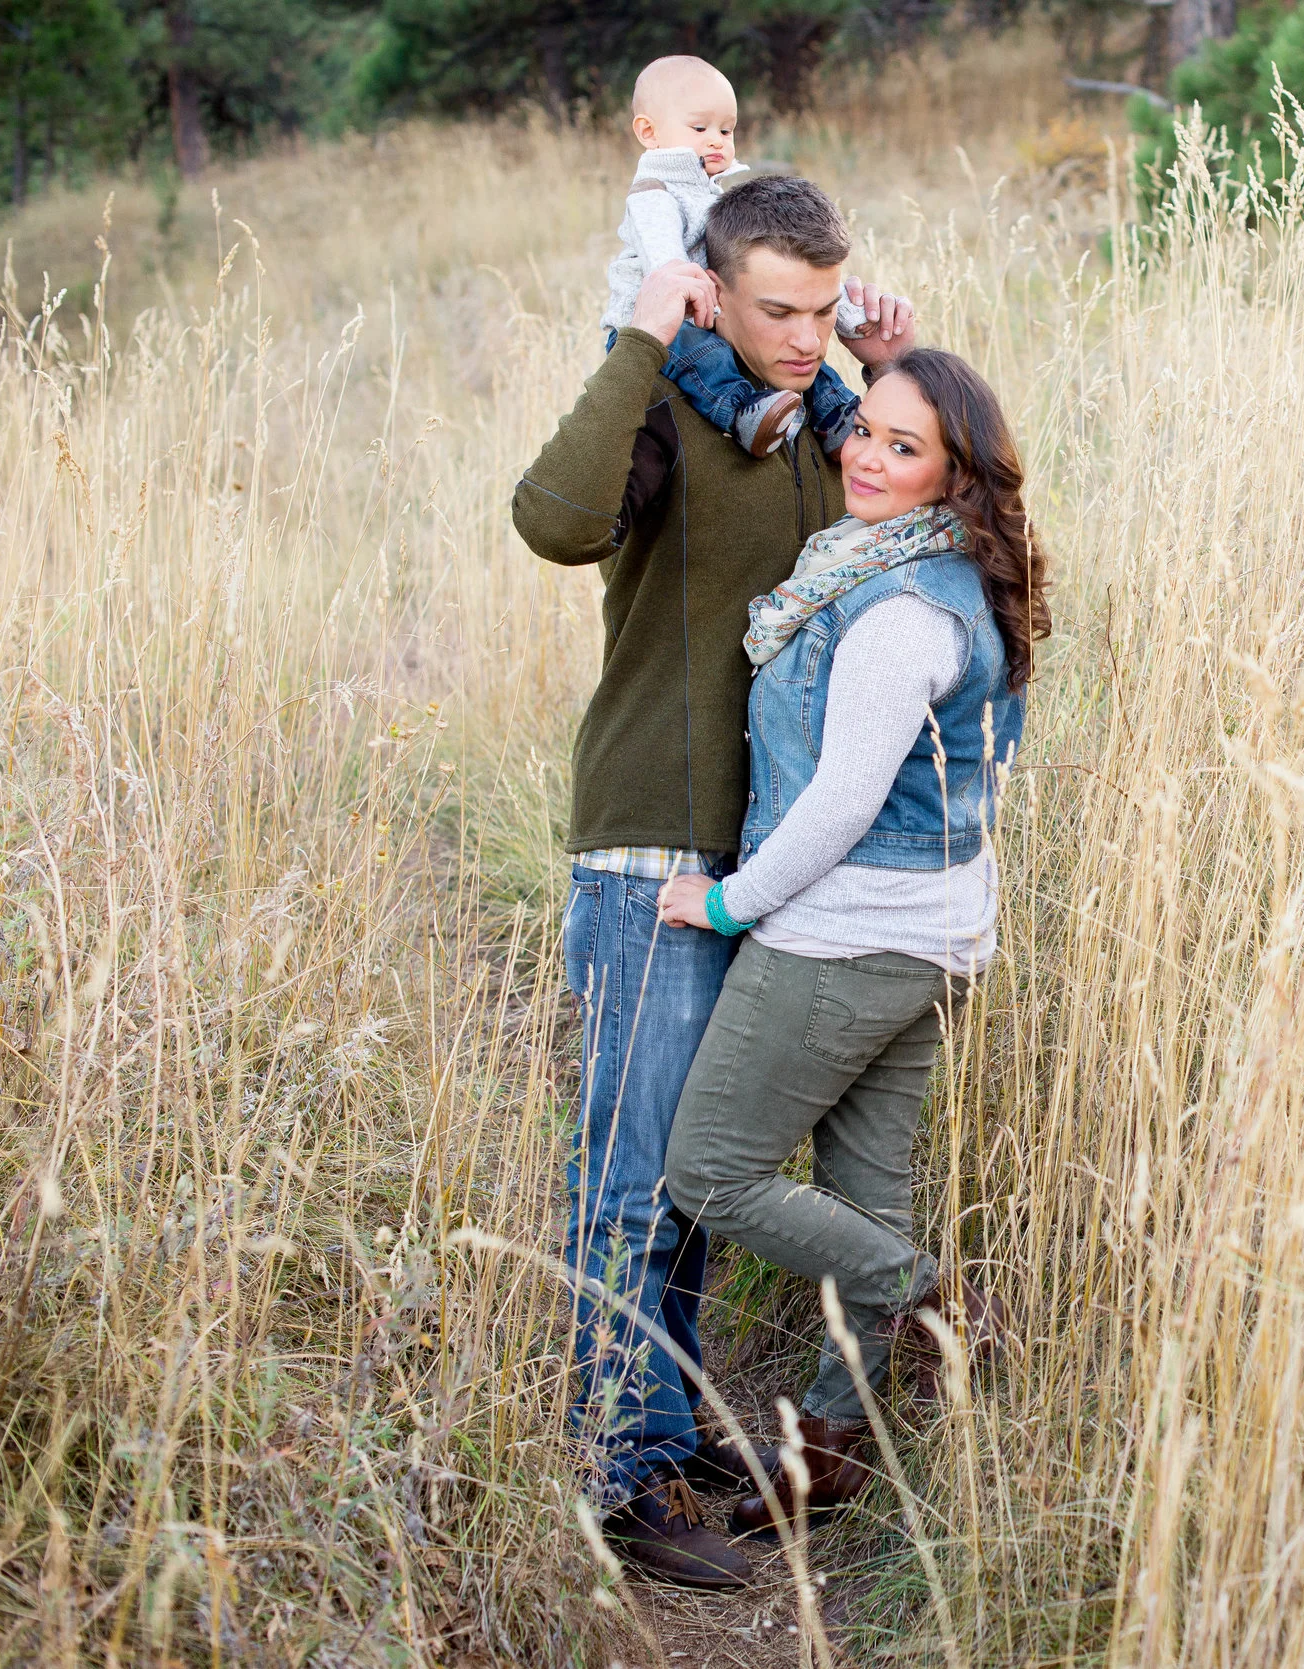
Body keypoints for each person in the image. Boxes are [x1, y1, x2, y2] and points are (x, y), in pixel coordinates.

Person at [512, 173, 915, 1590]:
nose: (803, 335)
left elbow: (940, 499)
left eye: (823, 308)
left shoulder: (819, 417)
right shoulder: (669, 407)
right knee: (630, 1177)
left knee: (696, 1175)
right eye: (777, 310)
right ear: (711, 289)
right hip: (651, 842)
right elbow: (553, 522)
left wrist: (893, 363)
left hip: (769, 864)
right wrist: (633, 342)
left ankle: (664, 1426)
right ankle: (615, 1477)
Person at [656, 346, 1049, 1539]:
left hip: (845, 938)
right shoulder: (951, 578)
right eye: (863, 431)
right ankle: (828, 1459)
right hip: (931, 941)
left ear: (954, 476)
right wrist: (880, 360)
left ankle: (920, 1301)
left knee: (709, 1172)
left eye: (901, 446)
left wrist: (725, 905)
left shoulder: (895, 616)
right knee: (867, 1195)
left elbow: (837, 802)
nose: (864, 457)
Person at [602, 55, 870, 459]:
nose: (716, 140)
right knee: (709, 357)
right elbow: (665, 262)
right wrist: (680, 285)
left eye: (726, 130)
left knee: (806, 360)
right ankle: (743, 413)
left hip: (700, 312)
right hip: (655, 324)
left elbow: (786, 271)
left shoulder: (713, 192)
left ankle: (836, 420)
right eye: (700, 128)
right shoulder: (653, 194)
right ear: (648, 132)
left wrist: (850, 317)